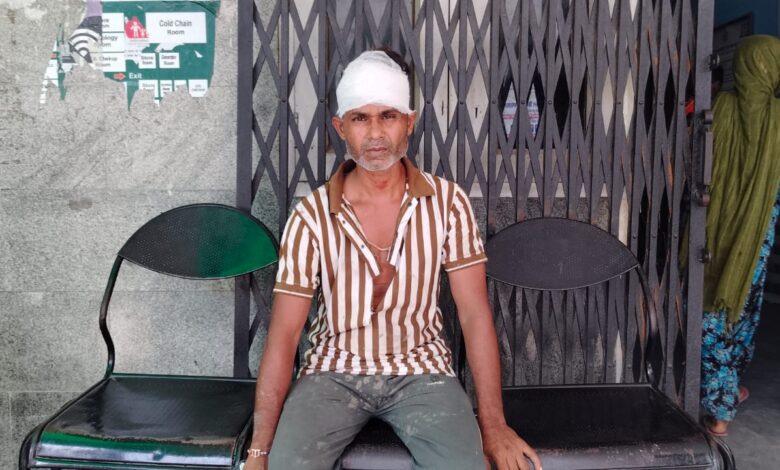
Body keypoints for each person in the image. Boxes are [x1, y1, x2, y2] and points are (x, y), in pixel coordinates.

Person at [243, 49, 542, 470]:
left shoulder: (447, 203)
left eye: (388, 116)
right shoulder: (311, 216)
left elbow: (474, 314)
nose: (375, 133)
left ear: (409, 122)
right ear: (340, 128)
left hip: (423, 370)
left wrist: (493, 425)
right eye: (360, 118)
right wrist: (259, 451)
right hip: (332, 370)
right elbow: (285, 333)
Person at [699, 35, 780, 437]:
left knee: (711, 309)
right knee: (739, 311)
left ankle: (722, 400)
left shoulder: (721, 108)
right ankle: (724, 403)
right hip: (755, 241)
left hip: (713, 232)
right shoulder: (778, 119)